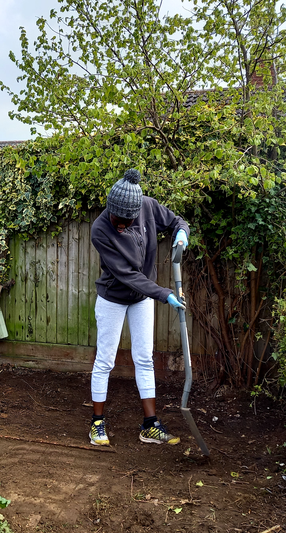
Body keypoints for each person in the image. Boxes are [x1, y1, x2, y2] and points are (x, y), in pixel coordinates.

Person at [89, 168, 189, 447]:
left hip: (142, 299)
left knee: (144, 358)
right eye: (116, 219)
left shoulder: (147, 206)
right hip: (112, 297)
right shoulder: (100, 230)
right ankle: (97, 423)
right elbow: (128, 275)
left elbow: (177, 221)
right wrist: (164, 294)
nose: (120, 225)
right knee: (105, 361)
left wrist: (181, 234)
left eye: (126, 221)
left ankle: (150, 425)